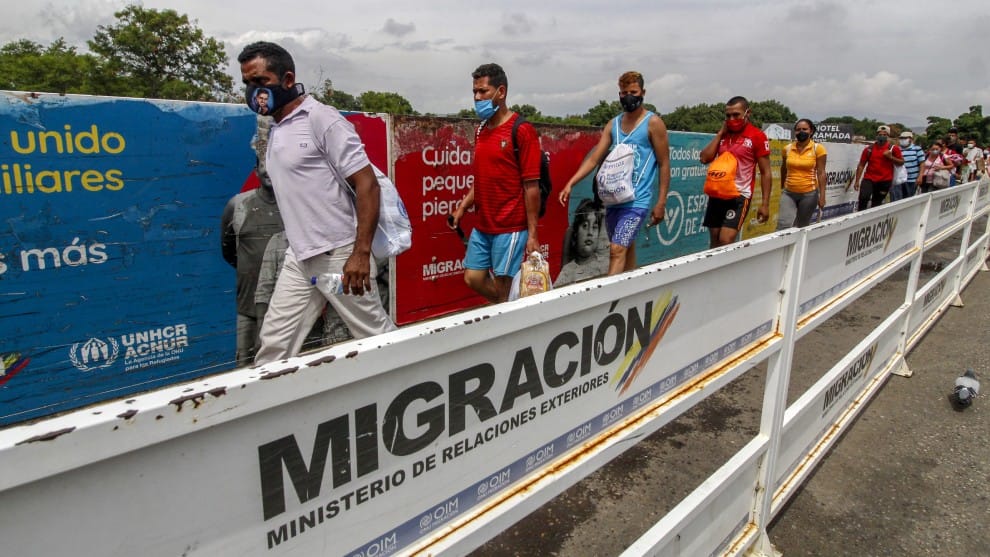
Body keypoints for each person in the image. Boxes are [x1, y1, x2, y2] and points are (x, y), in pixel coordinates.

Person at [237, 41, 396, 365]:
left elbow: (366, 184)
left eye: (260, 82)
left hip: (338, 256)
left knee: (376, 338)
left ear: (287, 78)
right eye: (247, 84)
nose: (254, 92)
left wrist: (360, 254)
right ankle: (272, 412)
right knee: (273, 347)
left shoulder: (322, 119)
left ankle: (418, 388)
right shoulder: (277, 127)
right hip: (300, 258)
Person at [558, 70, 670, 274]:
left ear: (643, 92)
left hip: (637, 200)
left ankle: (609, 301)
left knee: (617, 250)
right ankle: (630, 290)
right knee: (627, 248)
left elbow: (664, 163)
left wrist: (661, 202)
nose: (628, 96)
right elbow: (594, 159)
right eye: (623, 92)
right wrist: (571, 183)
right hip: (615, 198)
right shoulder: (614, 125)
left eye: (633, 91)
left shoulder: (653, 123)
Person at [449, 63, 541, 303]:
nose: (477, 98)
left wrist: (532, 235)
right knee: (473, 278)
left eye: (483, 92)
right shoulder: (481, 130)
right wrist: (462, 207)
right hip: (483, 225)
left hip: (510, 227)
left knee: (503, 287)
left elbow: (531, 187)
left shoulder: (522, 131)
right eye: (475, 92)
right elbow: (481, 179)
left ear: (501, 92)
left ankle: (509, 320)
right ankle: (511, 308)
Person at [220, 154, 283, 366]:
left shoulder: (295, 205)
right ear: (256, 171)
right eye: (262, 166)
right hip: (247, 309)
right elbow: (228, 252)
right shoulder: (238, 205)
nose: (267, 171)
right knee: (244, 371)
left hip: (286, 309)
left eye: (272, 165)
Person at [699, 96, 771, 247]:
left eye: (736, 115)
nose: (731, 119)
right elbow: (705, 158)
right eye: (728, 115)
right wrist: (720, 134)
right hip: (718, 192)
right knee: (714, 239)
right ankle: (715, 271)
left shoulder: (757, 136)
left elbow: (766, 172)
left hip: (739, 195)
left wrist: (765, 204)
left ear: (747, 113)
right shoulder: (724, 135)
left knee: (726, 239)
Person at [777, 119, 827, 229]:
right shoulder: (787, 149)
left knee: (801, 226)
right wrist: (782, 187)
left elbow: (821, 172)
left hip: (808, 194)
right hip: (789, 192)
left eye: (804, 129)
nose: (801, 132)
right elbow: (783, 168)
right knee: (783, 224)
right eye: (798, 130)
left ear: (811, 131)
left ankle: (799, 246)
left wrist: (822, 196)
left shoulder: (818, 149)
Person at [554, 198, 609, 287]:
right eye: (585, 226)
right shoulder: (568, 271)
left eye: (594, 227)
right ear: (576, 233)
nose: (590, 232)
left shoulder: (605, 265)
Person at [852, 125, 903, 210]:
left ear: (888, 136)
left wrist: (891, 157)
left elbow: (901, 162)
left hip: (885, 181)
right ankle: (860, 217)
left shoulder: (893, 149)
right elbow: (861, 165)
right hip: (869, 178)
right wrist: (857, 180)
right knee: (863, 198)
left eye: (884, 134)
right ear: (876, 135)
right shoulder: (869, 149)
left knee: (876, 203)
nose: (882, 136)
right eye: (880, 134)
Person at [891, 131, 925, 200]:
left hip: (912, 180)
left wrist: (920, 176)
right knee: (896, 199)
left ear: (910, 139)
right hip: (898, 179)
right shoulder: (896, 149)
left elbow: (922, 163)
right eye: (901, 138)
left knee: (908, 199)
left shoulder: (917, 149)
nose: (903, 140)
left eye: (905, 138)